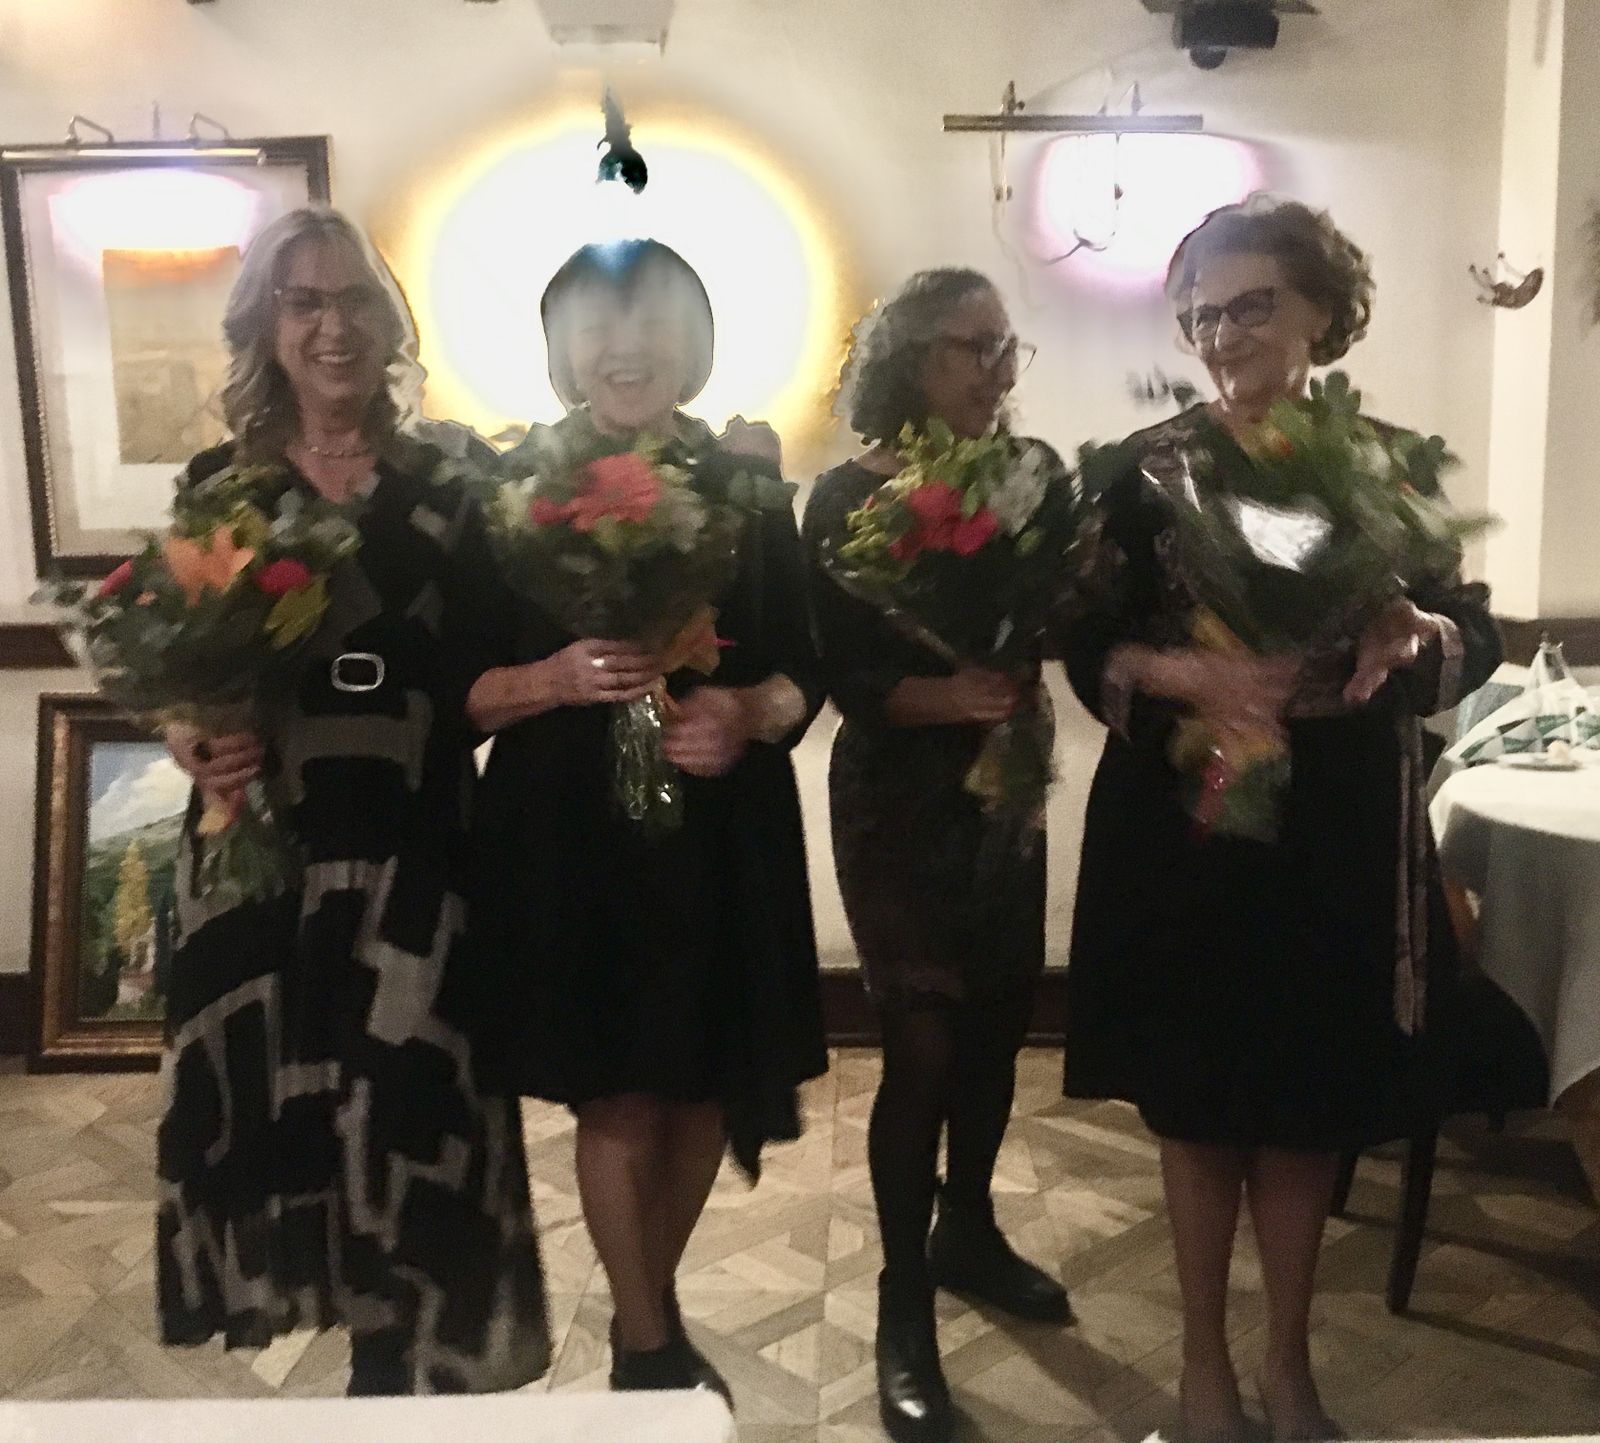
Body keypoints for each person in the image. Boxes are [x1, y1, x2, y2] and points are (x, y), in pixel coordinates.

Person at [1060, 196, 1501, 1443]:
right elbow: (1083, 635)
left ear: (1322, 310)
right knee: (1197, 1110)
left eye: (1251, 304)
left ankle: (1287, 1368)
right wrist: (1183, 674)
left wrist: (1420, 632)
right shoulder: (1138, 472)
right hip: (1184, 827)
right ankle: (1203, 1371)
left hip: (1332, 831)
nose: (1221, 332)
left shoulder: (1387, 466)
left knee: (1305, 1109)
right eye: (1200, 311)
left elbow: (1471, 629)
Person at [156, 206, 550, 1395]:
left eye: (353, 302)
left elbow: (476, 684)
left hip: (412, 863)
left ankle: (407, 1390)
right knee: (289, 1146)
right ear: (265, 326)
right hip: (258, 859)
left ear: (389, 325)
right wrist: (188, 738)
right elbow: (182, 673)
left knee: (412, 1140)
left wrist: (566, 677)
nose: (333, 327)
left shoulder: (453, 484)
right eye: (303, 301)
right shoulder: (218, 485)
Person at [460, 238, 828, 1398]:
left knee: (707, 1083)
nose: (627, 346)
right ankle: (650, 1342)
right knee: (617, 1084)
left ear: (695, 338)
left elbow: (805, 670)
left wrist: (742, 708)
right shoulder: (507, 492)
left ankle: (641, 1319)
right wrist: (555, 679)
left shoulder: (746, 486)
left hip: (719, 828)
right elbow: (459, 692)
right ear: (562, 348)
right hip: (567, 836)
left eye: (654, 319)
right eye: (598, 323)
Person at [802, 268, 1072, 1443]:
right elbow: (837, 675)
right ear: (912, 356)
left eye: (1010, 350)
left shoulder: (1035, 476)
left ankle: (968, 1227)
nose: (997, 373)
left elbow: (1062, 611)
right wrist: (939, 691)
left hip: (1002, 778)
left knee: (1000, 1022)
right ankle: (900, 1301)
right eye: (975, 348)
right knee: (918, 1041)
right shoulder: (838, 496)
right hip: (896, 796)